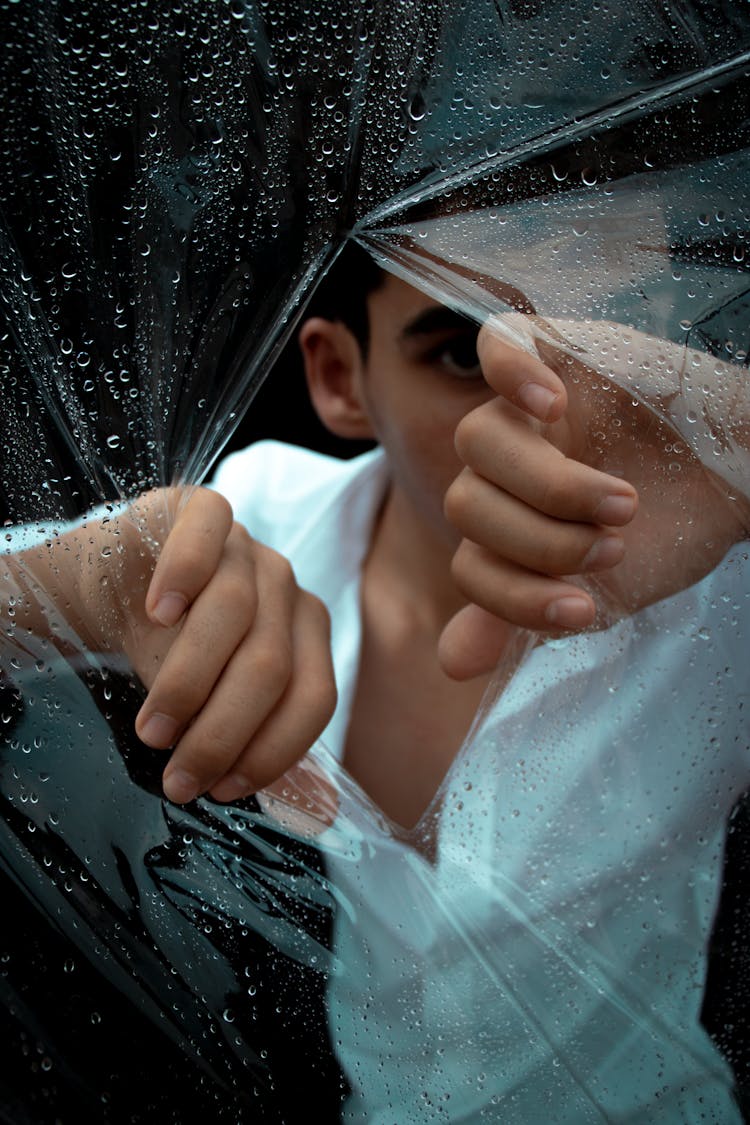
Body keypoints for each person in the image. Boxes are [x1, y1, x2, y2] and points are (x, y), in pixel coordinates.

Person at [5, 242, 749, 1120]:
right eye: (464, 352)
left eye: (625, 340)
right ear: (337, 378)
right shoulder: (263, 517)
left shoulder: (724, 590)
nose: (561, 423)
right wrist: (81, 580)